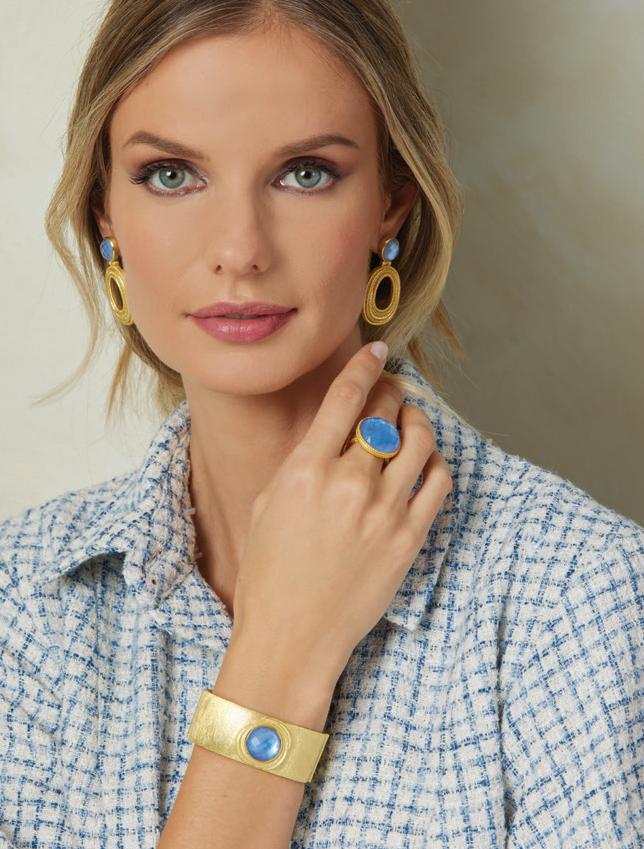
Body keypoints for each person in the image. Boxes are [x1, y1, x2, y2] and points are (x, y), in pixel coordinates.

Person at [1, 1, 641, 847]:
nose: (240, 249)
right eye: (171, 174)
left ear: (392, 205)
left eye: (304, 173)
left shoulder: (584, 598)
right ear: (104, 214)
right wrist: (279, 653)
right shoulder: (23, 603)